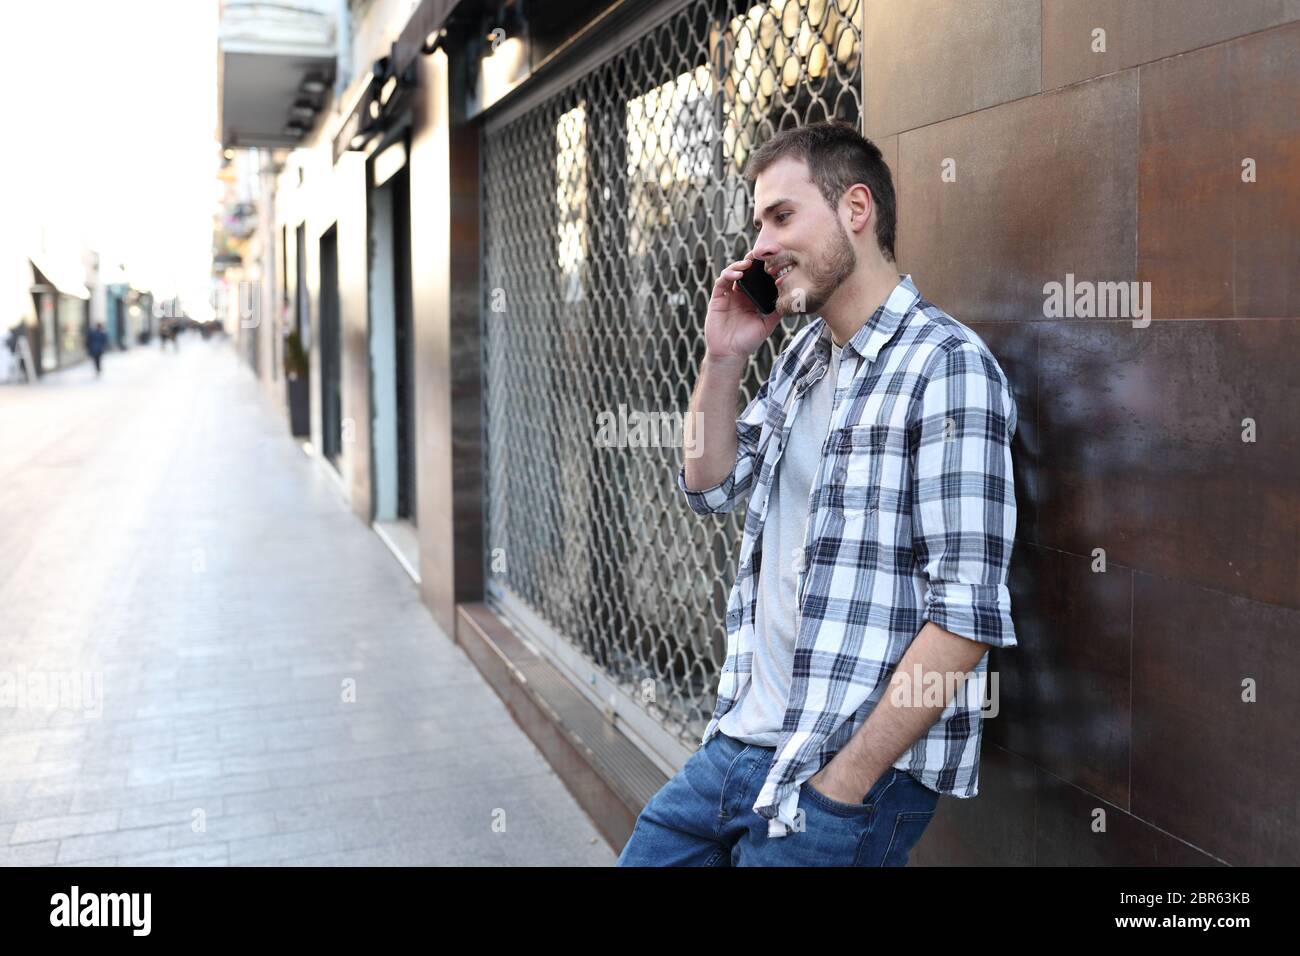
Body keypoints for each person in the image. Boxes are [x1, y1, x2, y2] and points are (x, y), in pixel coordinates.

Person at [617, 122, 1019, 867]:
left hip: (838, 774)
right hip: (738, 746)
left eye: (781, 216)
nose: (760, 244)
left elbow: (965, 617)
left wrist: (844, 783)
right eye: (758, 221)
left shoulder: (947, 369)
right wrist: (721, 357)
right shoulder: (803, 356)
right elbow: (710, 487)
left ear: (855, 210)